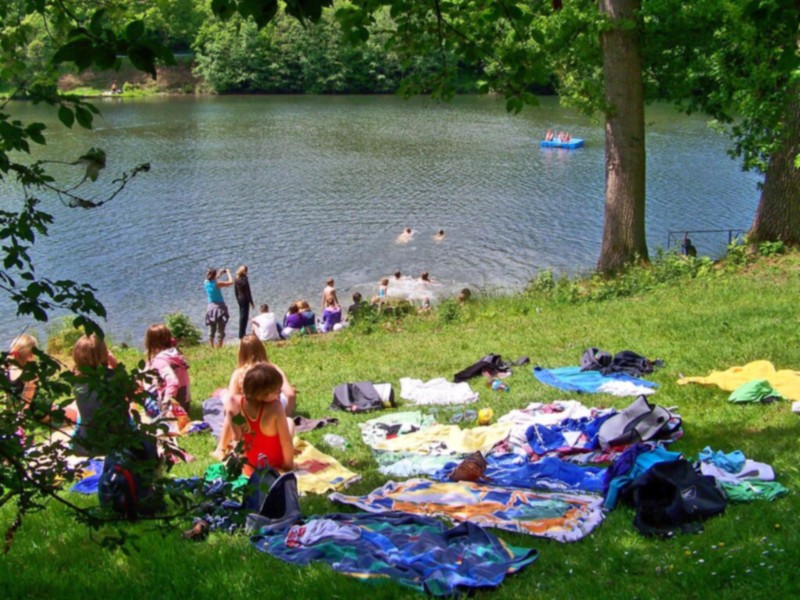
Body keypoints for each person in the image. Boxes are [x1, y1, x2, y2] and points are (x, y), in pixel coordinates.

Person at [212, 335, 296, 459]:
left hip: (248, 413)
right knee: (289, 422)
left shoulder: (239, 373)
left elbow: (231, 401)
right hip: (272, 415)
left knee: (229, 406)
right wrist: (285, 415)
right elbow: (290, 394)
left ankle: (221, 448)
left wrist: (236, 423)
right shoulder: (272, 370)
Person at [71, 333, 139, 457]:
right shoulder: (115, 377)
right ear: (104, 354)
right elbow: (135, 391)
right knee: (131, 406)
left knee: (82, 416)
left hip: (88, 445)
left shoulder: (77, 382)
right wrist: (116, 366)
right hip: (118, 441)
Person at [239, 363, 295, 477]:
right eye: (276, 392)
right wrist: (289, 465)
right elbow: (285, 440)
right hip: (273, 463)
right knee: (290, 422)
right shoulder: (275, 407)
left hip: (252, 463)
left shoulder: (241, 403)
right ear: (263, 393)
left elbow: (241, 437)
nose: (279, 395)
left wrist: (243, 463)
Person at [144, 324, 191, 426]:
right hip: (184, 404)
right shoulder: (174, 352)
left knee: (145, 394)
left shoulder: (160, 361)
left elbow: (173, 382)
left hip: (172, 409)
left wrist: (166, 404)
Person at [5, 334, 38, 413]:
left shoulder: (8, 370)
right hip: (36, 413)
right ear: (31, 355)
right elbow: (26, 403)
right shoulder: (30, 374)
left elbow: (8, 399)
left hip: (15, 411)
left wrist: (7, 414)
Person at [204, 268, 234, 349]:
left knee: (212, 329)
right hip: (219, 308)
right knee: (220, 328)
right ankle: (220, 347)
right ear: (214, 275)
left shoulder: (205, 282)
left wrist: (220, 274)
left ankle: (212, 347)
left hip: (210, 308)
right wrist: (228, 273)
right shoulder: (217, 284)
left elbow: (212, 278)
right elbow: (231, 282)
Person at [234, 265, 255, 340]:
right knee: (244, 317)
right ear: (244, 271)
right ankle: (242, 334)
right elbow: (248, 292)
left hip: (240, 299)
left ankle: (241, 333)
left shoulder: (236, 279)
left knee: (241, 316)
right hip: (245, 299)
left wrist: (237, 300)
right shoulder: (244, 280)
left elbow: (236, 292)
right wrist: (251, 302)